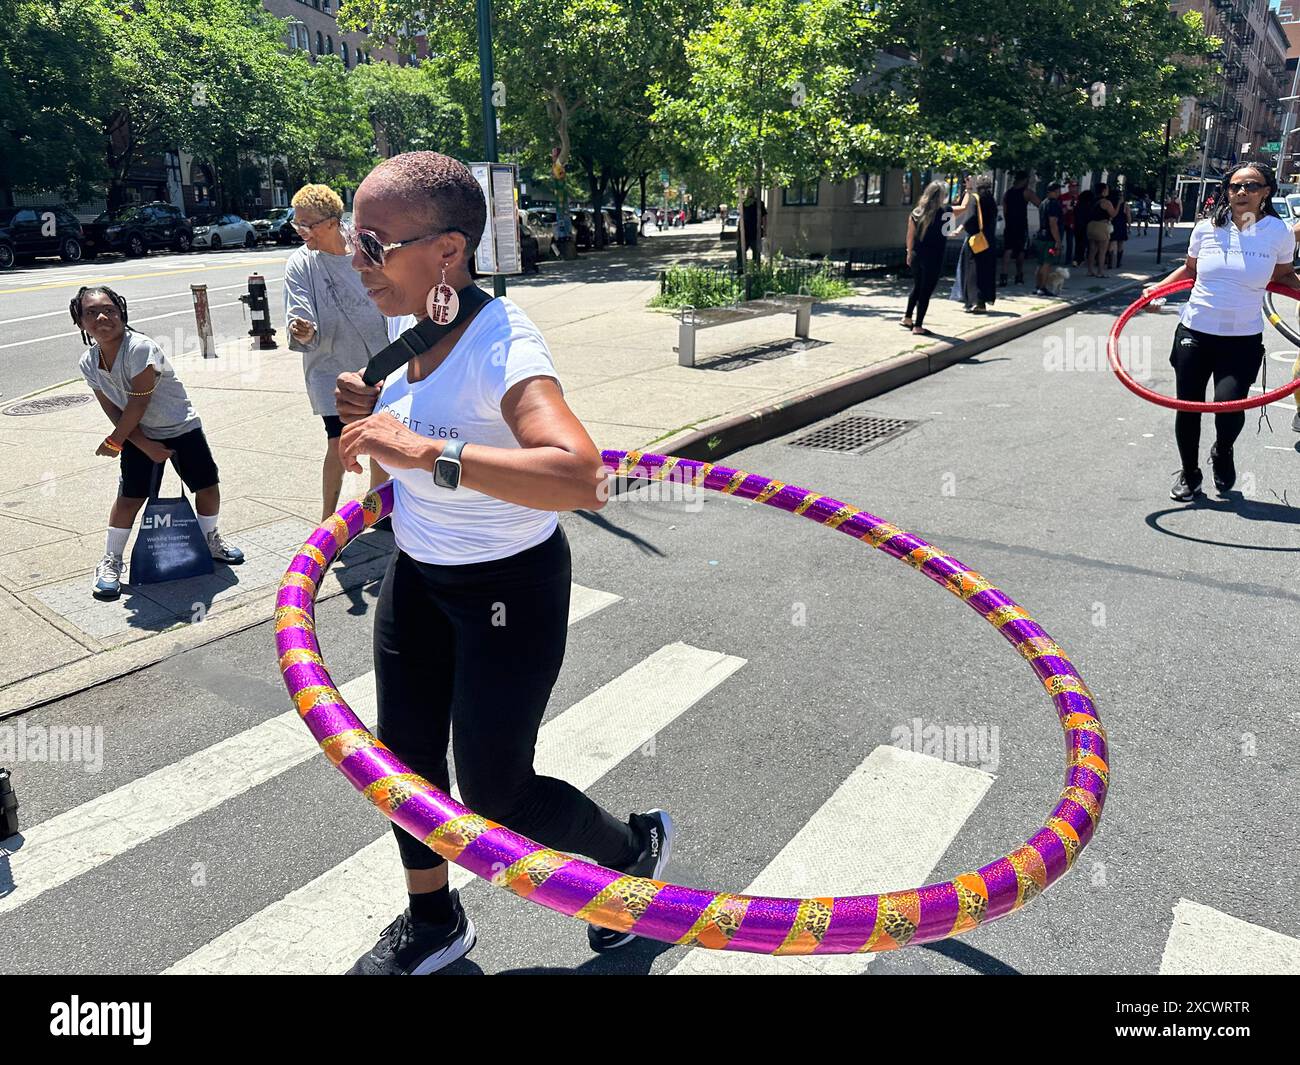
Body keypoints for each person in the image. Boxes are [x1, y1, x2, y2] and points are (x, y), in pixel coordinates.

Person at [332, 151, 671, 975]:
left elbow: (582, 476)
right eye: (352, 237)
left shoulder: (502, 338)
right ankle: (433, 919)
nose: (354, 259)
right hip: (416, 578)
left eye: (372, 242)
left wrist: (422, 445)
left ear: (445, 251)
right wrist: (381, 416)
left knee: (494, 792)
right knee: (405, 765)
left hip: (507, 591)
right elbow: (421, 445)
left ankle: (630, 854)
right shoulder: (410, 324)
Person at [73, 285, 244, 600]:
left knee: (206, 487)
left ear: (121, 312)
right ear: (81, 322)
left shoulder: (140, 348)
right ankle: (111, 561)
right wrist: (139, 443)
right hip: (137, 433)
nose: (102, 316)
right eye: (91, 312)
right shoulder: (88, 362)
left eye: (109, 309)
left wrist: (115, 441)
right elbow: (114, 407)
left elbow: (138, 403)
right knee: (129, 498)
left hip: (180, 425)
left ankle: (210, 540)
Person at [1143, 163, 1300, 501]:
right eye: (1235, 185)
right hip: (1195, 331)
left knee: (1229, 406)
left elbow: (1284, 276)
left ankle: (1223, 450)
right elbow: (1190, 270)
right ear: (1227, 191)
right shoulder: (1205, 229)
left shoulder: (1278, 232)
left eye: (1252, 186)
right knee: (1189, 406)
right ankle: (1189, 473)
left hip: (1242, 338)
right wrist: (1155, 292)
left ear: (1266, 192)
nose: (1242, 191)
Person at [283, 184, 391, 522]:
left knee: (379, 439)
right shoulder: (301, 263)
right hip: (330, 367)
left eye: (308, 225)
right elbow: (299, 310)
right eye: (296, 224)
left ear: (332, 222)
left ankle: (377, 511)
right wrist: (302, 328)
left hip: (380, 359)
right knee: (337, 440)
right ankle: (327, 520)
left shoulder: (365, 248)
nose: (302, 232)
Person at [901, 179, 949, 335]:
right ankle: (918, 325)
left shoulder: (916, 212)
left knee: (917, 285)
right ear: (941, 196)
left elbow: (909, 236)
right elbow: (948, 233)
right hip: (934, 257)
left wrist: (908, 253)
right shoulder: (945, 212)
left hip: (916, 255)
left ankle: (907, 318)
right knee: (926, 291)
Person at [950, 175, 996, 312]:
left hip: (976, 240)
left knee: (972, 270)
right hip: (989, 240)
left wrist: (959, 229)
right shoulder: (991, 200)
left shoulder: (975, 199)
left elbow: (970, 219)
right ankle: (983, 300)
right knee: (986, 271)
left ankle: (975, 301)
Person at [999, 170, 1039, 286]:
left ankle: (1004, 275)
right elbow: (1039, 204)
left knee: (1008, 250)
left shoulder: (1008, 193)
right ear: (1025, 180)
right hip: (1021, 225)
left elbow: (1005, 210)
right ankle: (1019, 275)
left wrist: (1008, 221)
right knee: (1020, 251)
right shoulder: (1026, 192)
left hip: (1010, 225)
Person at [1032, 182, 1065, 296]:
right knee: (1047, 263)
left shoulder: (1043, 203)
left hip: (1041, 236)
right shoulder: (1054, 204)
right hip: (1049, 239)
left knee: (1040, 263)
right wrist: (1058, 240)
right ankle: (1042, 287)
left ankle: (1037, 286)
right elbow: (1053, 223)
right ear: (1056, 191)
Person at [1085, 182, 1117, 277]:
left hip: (1091, 225)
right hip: (1102, 226)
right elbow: (1113, 214)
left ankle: (1090, 270)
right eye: (1107, 189)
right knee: (1102, 250)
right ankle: (1100, 271)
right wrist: (1119, 204)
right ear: (1103, 191)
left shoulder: (1092, 200)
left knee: (1092, 249)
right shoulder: (1106, 202)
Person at [1105, 187, 1130, 270]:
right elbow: (1128, 216)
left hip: (1113, 224)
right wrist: (1129, 225)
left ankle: (1110, 262)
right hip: (1122, 225)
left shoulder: (1110, 203)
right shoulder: (1125, 205)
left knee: (1111, 243)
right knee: (1120, 244)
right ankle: (1118, 262)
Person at [1059, 180, 1079, 265]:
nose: (1074, 188)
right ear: (1069, 187)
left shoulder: (1079, 197)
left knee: (1070, 241)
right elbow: (1058, 209)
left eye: (1075, 187)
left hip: (1072, 222)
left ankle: (1068, 259)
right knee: (1058, 240)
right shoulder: (1062, 197)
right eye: (1072, 187)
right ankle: (1055, 257)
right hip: (1062, 221)